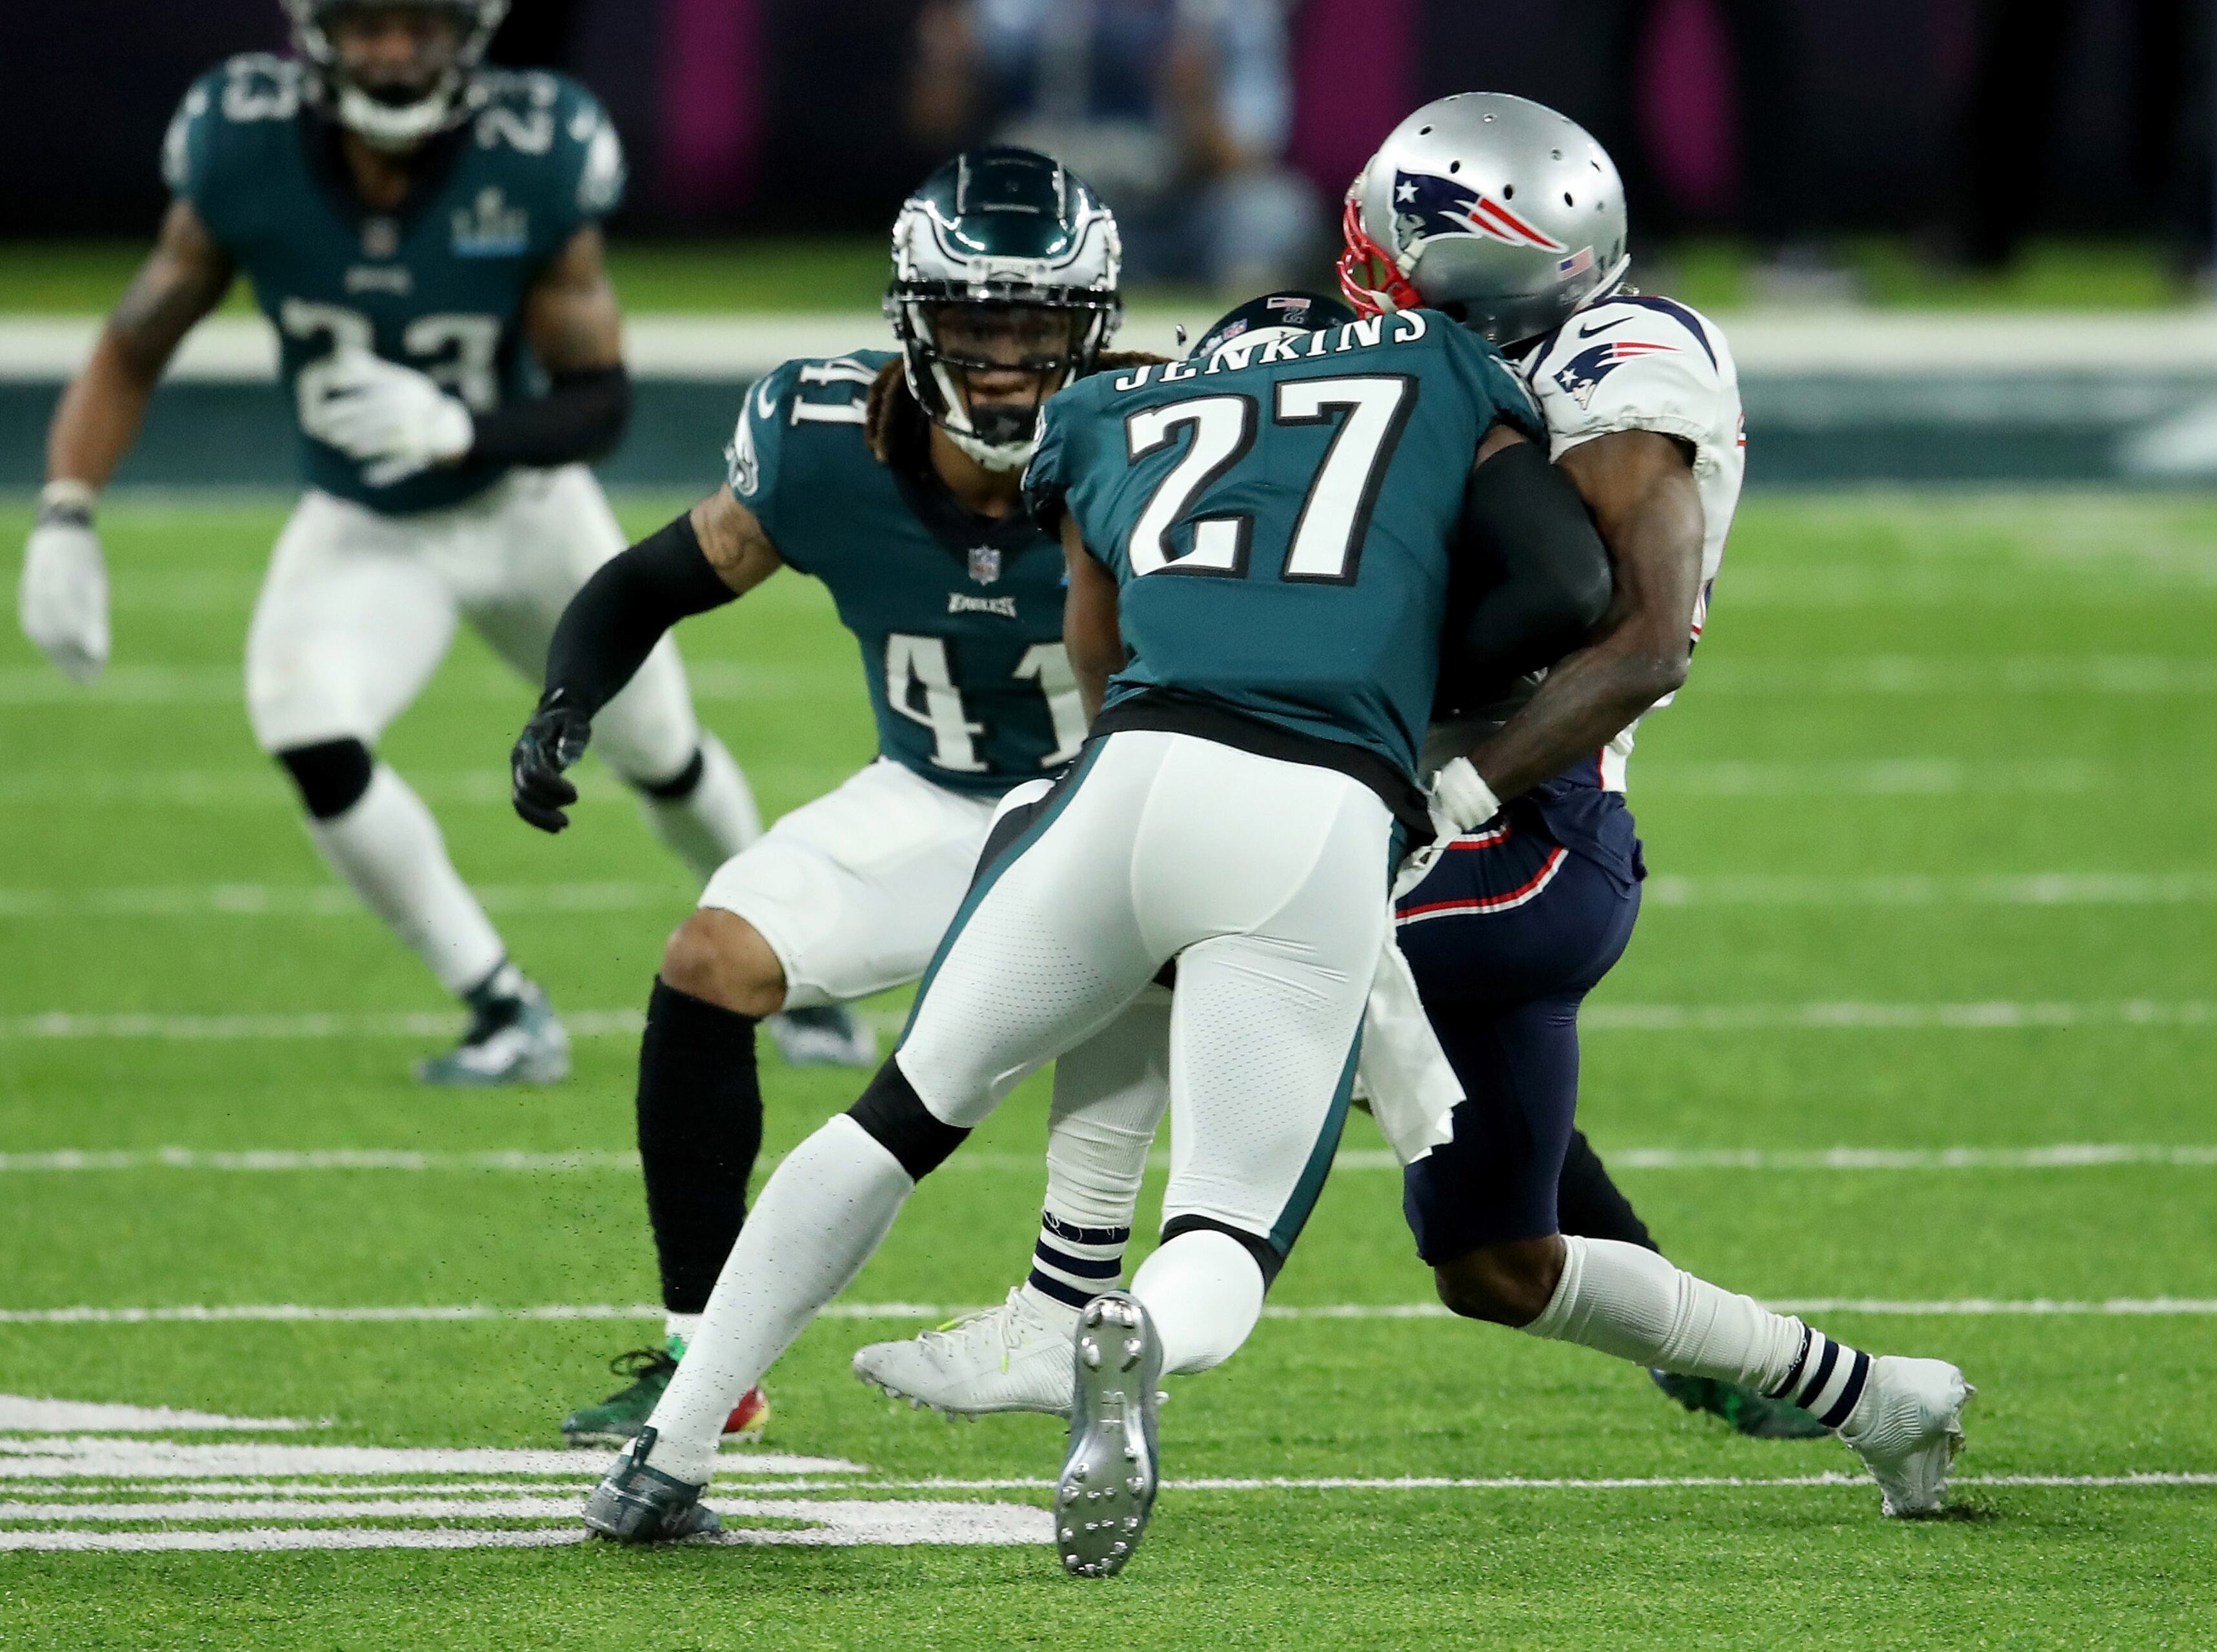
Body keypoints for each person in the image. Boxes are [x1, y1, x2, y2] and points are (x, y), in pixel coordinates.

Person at [854, 96, 1974, 1513]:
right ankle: (1881, 1398)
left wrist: (1440, 791)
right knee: (1499, 1263)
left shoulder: (1625, 366)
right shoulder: (1385, 342)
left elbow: (1639, 639)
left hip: (1521, 820)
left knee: (1185, 939)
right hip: (1391, 789)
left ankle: (1064, 1301)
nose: (1401, 285)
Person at [577, 287, 1624, 1576]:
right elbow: (1567, 583)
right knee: (1227, 1226)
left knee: (894, 1118)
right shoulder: (1440, 366)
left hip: (1123, 772)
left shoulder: (1110, 410)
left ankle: (670, 1450)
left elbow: (1098, 646)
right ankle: (1132, 1335)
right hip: (1314, 799)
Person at [512, 145, 1165, 1451]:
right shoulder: (825, 444)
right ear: (912, 323)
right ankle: (705, 1357)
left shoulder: (1168, 440)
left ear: (1091, 327)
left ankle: (1598, 1276)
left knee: (1419, 1066)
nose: (1004, 364)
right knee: (710, 960)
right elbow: (651, 581)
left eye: (1035, 328)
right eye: (972, 325)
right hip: (934, 800)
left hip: (1129, 818)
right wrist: (566, 698)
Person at [15, 0, 765, 1084]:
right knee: (306, 723)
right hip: (367, 522)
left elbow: (600, 403)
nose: (394, 53)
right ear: (317, 35)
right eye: (368, 26)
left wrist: (468, 430)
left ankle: (792, 966)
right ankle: (502, 1004)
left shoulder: (533, 151)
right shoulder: (243, 143)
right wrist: (66, 509)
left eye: (420, 26)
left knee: (661, 753)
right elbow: (134, 344)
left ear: (470, 33)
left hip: (527, 510)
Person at [907, 0, 1317, 289]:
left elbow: (1251, 155)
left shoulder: (1232, 13)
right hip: (1062, 205)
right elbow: (938, 122)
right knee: (985, 193)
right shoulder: (1023, 11)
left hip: (1181, 203)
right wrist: (948, 59)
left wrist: (1197, 107)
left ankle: (1242, 318)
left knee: (1274, 210)